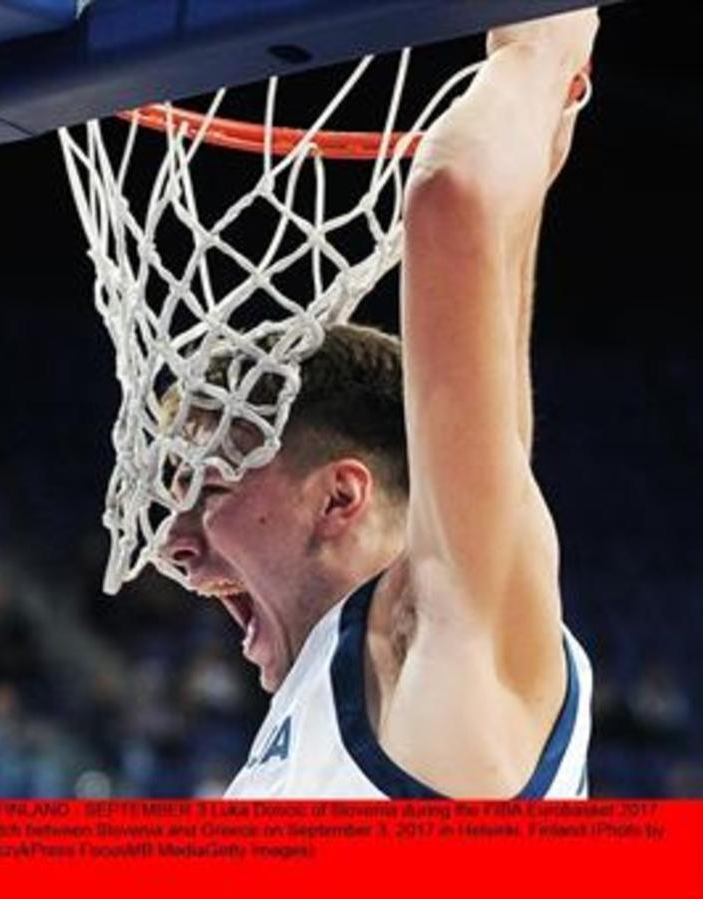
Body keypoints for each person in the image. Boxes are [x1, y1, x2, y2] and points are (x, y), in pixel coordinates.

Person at [159, 9, 599, 799]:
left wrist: (539, 52)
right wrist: (547, 106)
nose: (172, 544)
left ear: (341, 495)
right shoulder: (339, 690)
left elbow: (451, 195)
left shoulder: (433, 646)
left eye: (211, 487)